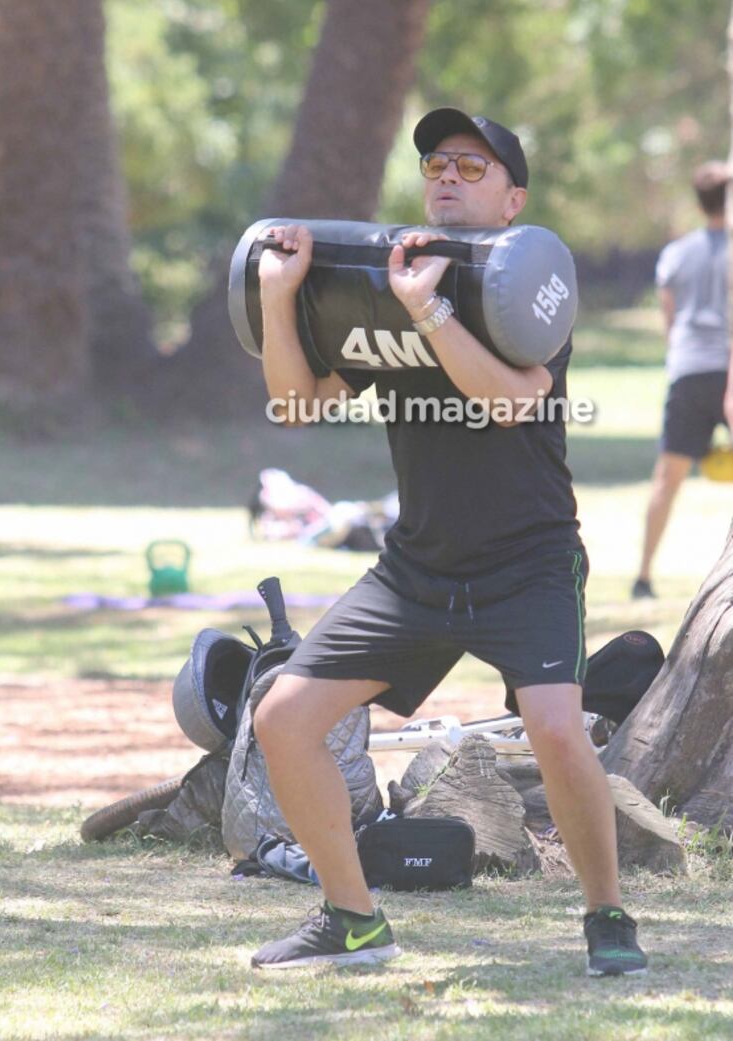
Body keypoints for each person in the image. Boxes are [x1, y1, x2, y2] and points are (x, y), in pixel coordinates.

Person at [251, 107, 648, 976]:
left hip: (529, 560)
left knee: (553, 727)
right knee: (282, 717)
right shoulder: (386, 282)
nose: (446, 176)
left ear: (514, 199)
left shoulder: (531, 288)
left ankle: (606, 914)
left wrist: (428, 311)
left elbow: (510, 398)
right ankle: (352, 920)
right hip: (417, 569)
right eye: (436, 162)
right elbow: (296, 405)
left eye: (473, 167)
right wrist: (282, 300)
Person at [632, 161, 732, 599]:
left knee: (666, 479)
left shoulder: (675, 254)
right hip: (729, 367)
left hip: (688, 369)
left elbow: (669, 322)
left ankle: (643, 577)